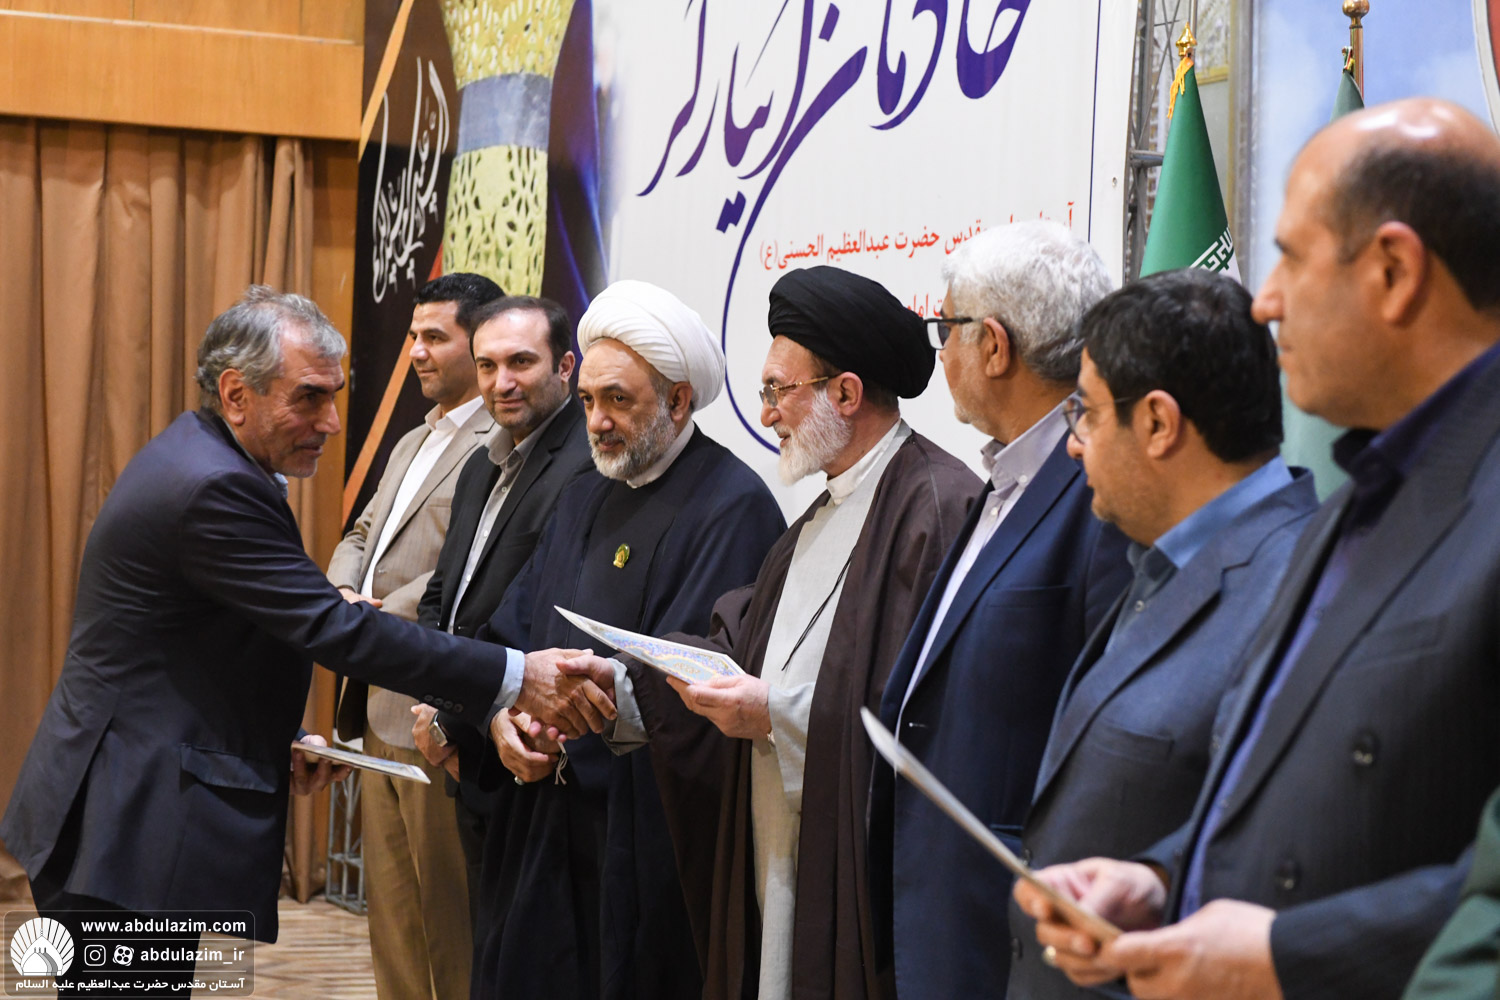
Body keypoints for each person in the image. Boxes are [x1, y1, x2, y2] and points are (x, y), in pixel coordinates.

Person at [1016, 98, 1500, 1000]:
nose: (1266, 301)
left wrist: (1288, 954)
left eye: (1291, 257)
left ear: (1394, 271)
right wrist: (1161, 879)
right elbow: (1276, 792)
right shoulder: (1358, 500)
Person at [0, 288, 616, 989]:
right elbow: (334, 628)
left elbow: (192, 653)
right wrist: (516, 675)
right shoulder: (214, 487)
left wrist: (275, 736)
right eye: (310, 398)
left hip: (123, 813)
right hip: (122, 825)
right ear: (237, 395)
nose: (331, 422)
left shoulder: (206, 458)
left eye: (335, 396)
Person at [577, 265, 981, 1000]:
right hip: (783, 846)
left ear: (846, 394)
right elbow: (745, 643)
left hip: (857, 877)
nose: (766, 416)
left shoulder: (934, 507)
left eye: (776, 391)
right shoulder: (820, 515)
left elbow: (929, 719)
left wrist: (776, 715)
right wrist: (627, 681)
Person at [450, 280, 787, 1000]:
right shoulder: (582, 496)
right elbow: (513, 628)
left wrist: (592, 703)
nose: (597, 422)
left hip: (644, 838)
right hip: (546, 824)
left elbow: (702, 665)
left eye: (618, 400)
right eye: (588, 401)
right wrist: (504, 716)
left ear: (678, 401)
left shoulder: (733, 506)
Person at [1008, 267, 1318, 1000]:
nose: (1074, 445)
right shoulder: (1162, 558)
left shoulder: (1302, 585)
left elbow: (1285, 845)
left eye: (1085, 413)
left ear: (1157, 423)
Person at [865, 221, 1131, 1000]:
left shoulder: (1103, 494)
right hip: (942, 919)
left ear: (993, 346)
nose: (940, 353)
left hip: (1017, 935)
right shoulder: (1003, 479)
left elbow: (1103, 735)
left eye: (946, 329)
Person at [326, 272, 499, 1000]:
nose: (417, 352)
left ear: (478, 342)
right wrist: (340, 594)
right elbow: (362, 530)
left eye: (434, 337)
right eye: (412, 337)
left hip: (433, 709)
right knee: (392, 919)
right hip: (375, 702)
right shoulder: (412, 438)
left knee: (448, 920)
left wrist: (371, 615)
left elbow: (466, 566)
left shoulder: (499, 443)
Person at [410, 294, 593, 920]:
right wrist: (438, 705)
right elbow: (442, 596)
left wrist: (457, 713)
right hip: (464, 736)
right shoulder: (479, 465)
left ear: (565, 366)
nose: (501, 382)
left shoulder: (586, 467)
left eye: (520, 362)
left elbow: (537, 614)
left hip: (522, 744)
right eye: (487, 366)